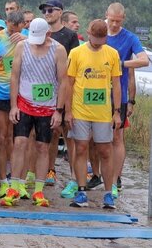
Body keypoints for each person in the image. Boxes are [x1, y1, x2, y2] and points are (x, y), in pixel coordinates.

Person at [1, 18, 69, 207]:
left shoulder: (58, 50)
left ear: (48, 34)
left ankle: (38, 191)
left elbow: (63, 81)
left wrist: (59, 111)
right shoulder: (22, 46)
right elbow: (15, 76)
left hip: (47, 106)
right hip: (24, 103)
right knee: (19, 143)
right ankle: (14, 186)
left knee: (42, 147)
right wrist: (13, 105)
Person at [66, 19, 121, 209]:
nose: (98, 42)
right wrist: (67, 111)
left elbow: (116, 84)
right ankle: (81, 191)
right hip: (80, 110)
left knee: (105, 151)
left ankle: (108, 193)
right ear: (88, 33)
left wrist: (117, 112)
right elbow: (69, 83)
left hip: (103, 112)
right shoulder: (76, 53)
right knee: (81, 148)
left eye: (102, 39)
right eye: (95, 38)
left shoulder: (112, 53)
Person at [105, 3, 148, 194]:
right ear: (106, 16)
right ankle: (96, 174)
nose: (114, 24)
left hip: (118, 94)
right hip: (96, 92)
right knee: (93, 138)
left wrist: (121, 63)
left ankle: (115, 180)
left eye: (118, 21)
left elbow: (144, 60)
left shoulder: (130, 37)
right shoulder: (99, 31)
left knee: (117, 136)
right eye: (111, 20)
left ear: (123, 19)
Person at [39, 0, 79, 194]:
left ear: (60, 12)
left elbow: (73, 66)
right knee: (51, 133)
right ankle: (50, 170)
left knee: (69, 132)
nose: (47, 13)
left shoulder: (70, 36)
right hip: (46, 89)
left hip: (65, 87)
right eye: (44, 11)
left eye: (50, 10)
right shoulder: (41, 33)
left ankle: (75, 176)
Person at [0, 11, 26, 197]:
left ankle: (13, 176)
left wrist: (24, 41)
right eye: (10, 28)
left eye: (17, 29)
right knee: (2, 136)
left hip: (22, 93)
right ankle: (2, 179)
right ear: (6, 22)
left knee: (16, 138)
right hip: (1, 92)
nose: (13, 32)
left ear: (23, 26)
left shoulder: (28, 39)